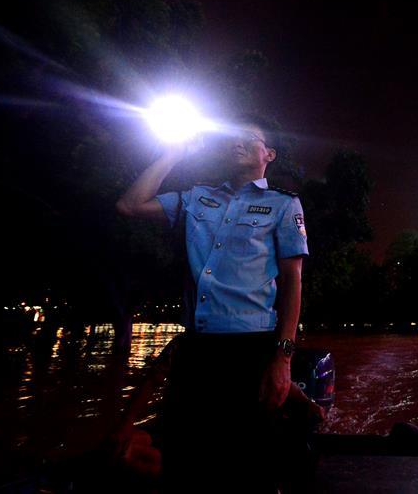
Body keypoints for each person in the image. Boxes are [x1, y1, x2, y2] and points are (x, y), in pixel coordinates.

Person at [115, 114, 308, 491]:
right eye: (232, 136)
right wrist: (174, 153)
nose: (236, 142)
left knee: (247, 467)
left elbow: (292, 281)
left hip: (250, 349)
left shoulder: (283, 204)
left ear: (268, 154)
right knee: (185, 462)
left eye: (248, 138)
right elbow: (129, 205)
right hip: (196, 349)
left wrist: (282, 359)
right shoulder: (196, 197)